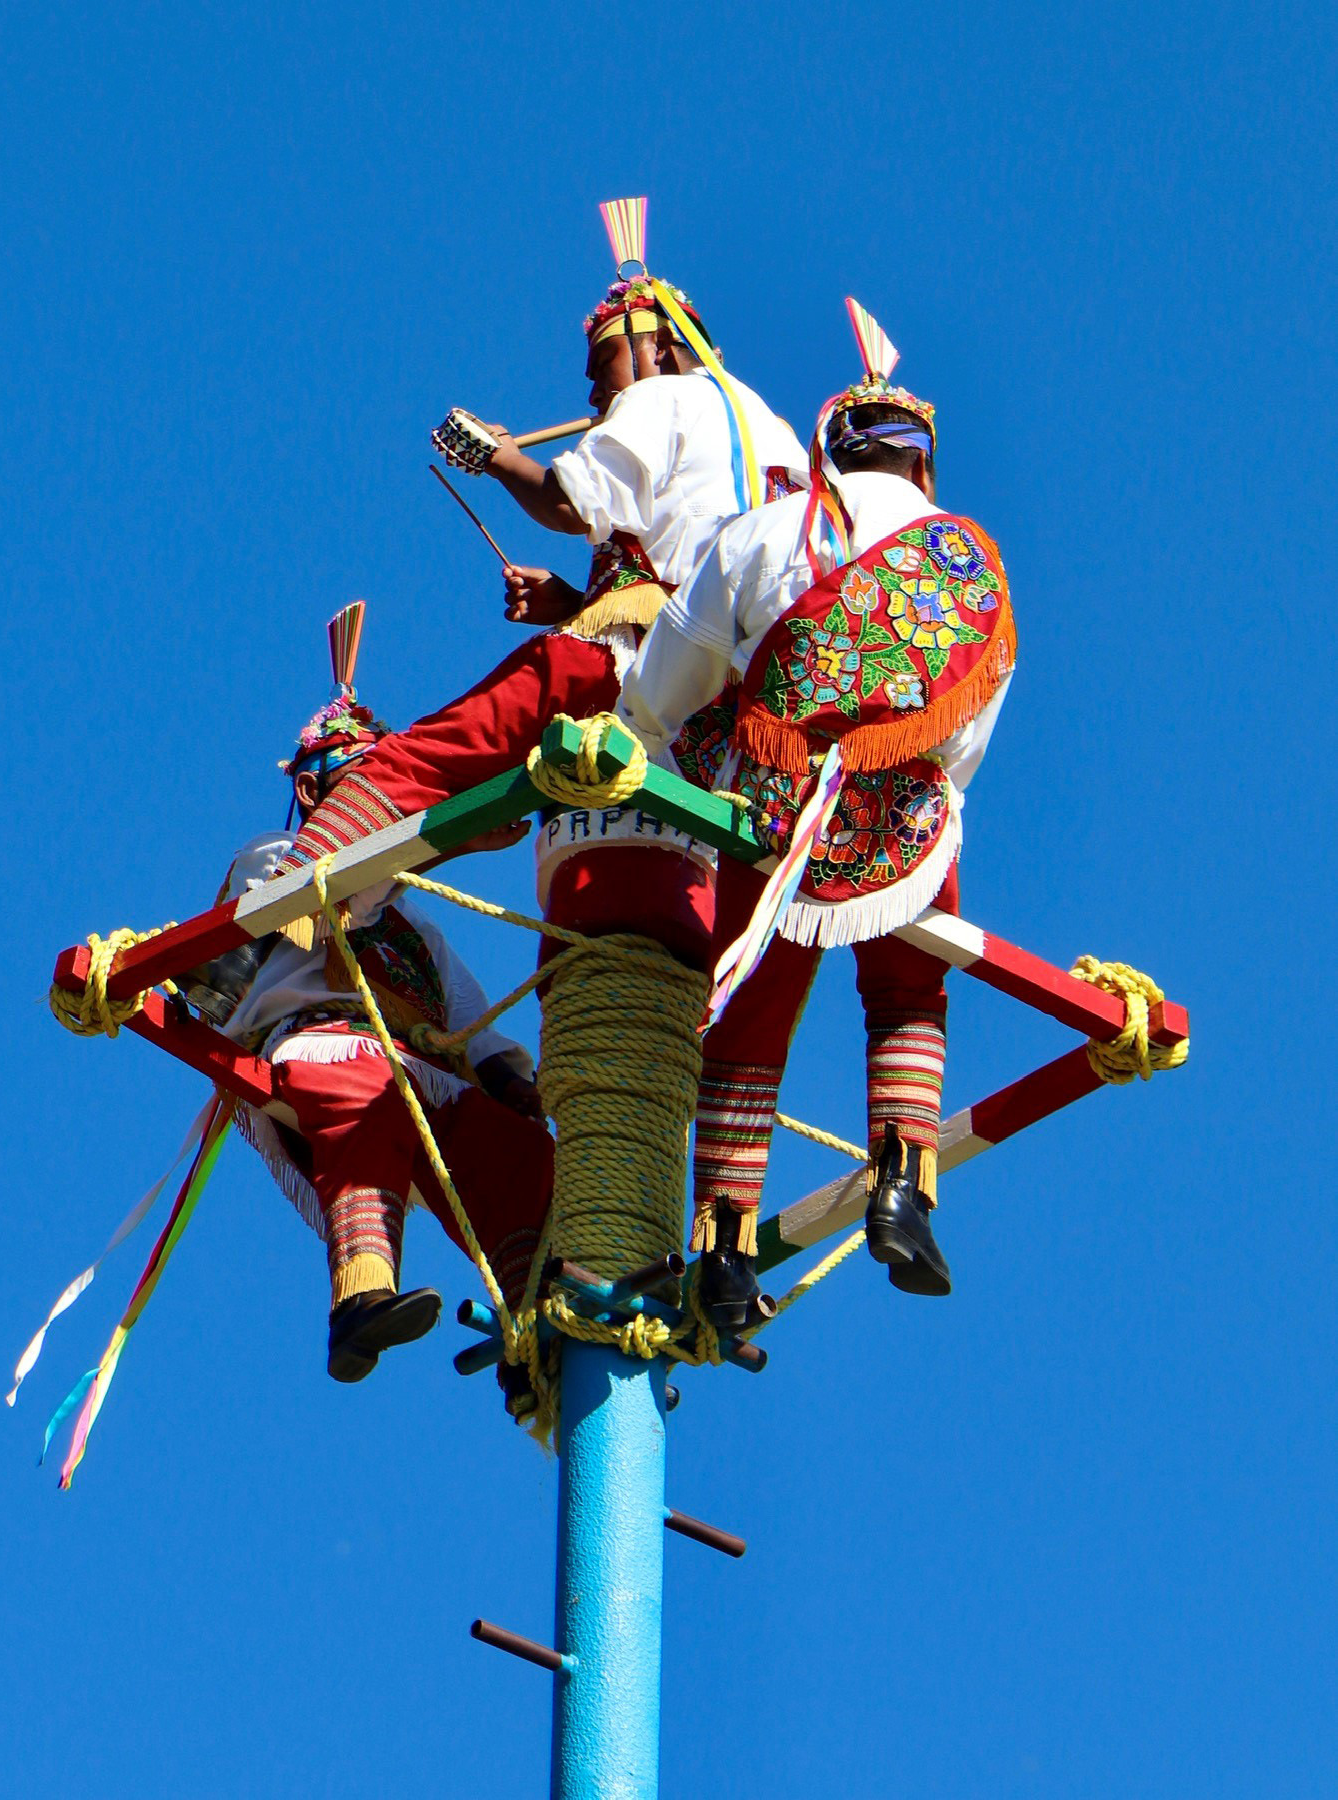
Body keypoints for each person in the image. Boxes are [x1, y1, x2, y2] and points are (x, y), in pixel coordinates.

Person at [616, 300, 1016, 1312]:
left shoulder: (764, 532)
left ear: (829, 453)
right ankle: (902, 1190)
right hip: (905, 818)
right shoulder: (969, 563)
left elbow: (668, 679)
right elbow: (963, 731)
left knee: (749, 1012)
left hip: (773, 802)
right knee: (909, 991)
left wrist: (655, 748)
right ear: (922, 465)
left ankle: (721, 1247)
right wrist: (902, 778)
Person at [283, 199, 806, 967]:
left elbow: (566, 503)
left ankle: (296, 890)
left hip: (624, 670)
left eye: (603, 367)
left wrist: (494, 457)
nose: (594, 395)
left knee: (428, 754)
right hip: (729, 710)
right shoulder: (779, 435)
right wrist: (574, 602)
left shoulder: (660, 397)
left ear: (659, 348)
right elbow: (697, 563)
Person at [190, 606, 553, 1383]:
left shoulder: (415, 922)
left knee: (514, 1148)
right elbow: (333, 897)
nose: (389, 802)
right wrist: (450, 838)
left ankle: (540, 1317)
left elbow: (467, 1019)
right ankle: (359, 1299)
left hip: (413, 1068)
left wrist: (513, 1083)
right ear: (314, 787)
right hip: (314, 1051)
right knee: (371, 1088)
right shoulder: (274, 859)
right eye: (369, 784)